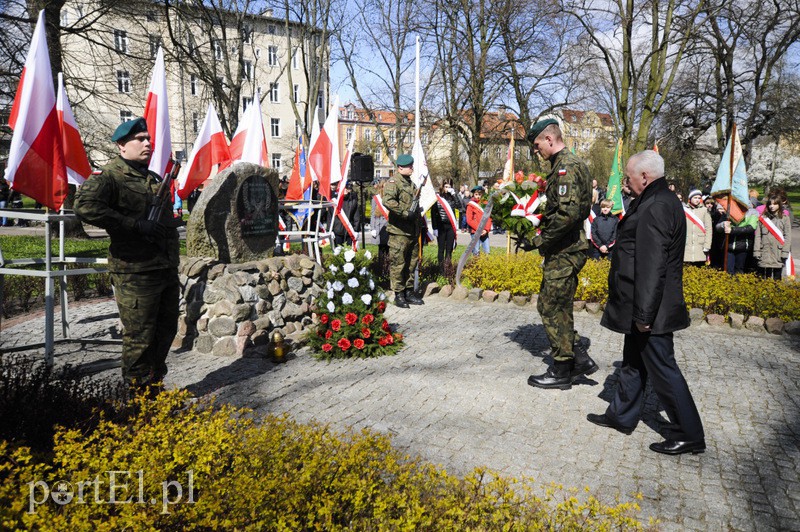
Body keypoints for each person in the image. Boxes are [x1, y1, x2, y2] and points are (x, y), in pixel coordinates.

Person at [587, 150, 705, 456]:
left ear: (644, 176)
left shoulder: (656, 206)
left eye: (628, 176)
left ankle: (689, 433)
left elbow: (652, 266)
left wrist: (643, 314)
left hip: (651, 308)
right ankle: (621, 415)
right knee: (633, 362)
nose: (625, 183)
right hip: (644, 305)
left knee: (664, 370)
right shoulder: (657, 200)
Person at [74, 117, 183, 392]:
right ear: (122, 145)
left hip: (163, 267)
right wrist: (133, 224)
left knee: (165, 331)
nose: (147, 143)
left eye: (148, 138)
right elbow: (85, 207)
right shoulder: (110, 176)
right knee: (140, 336)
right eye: (140, 139)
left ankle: (154, 388)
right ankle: (137, 396)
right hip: (135, 270)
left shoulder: (153, 178)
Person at [525, 118, 597, 390]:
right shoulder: (562, 166)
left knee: (550, 305)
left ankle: (562, 369)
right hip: (564, 248)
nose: (536, 150)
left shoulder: (566, 167)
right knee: (557, 305)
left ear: (549, 139)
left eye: (537, 144)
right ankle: (578, 359)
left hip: (566, 249)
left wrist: (539, 239)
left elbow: (567, 215)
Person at [383, 154, 424, 309]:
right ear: (400, 168)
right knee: (398, 264)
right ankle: (398, 294)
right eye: (409, 166)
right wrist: (405, 213)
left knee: (411, 263)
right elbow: (388, 201)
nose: (412, 168)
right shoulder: (394, 182)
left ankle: (408, 292)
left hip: (412, 230)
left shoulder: (410, 183)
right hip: (399, 231)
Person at [754, 193, 791, 280]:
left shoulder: (785, 218)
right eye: (770, 204)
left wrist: (785, 252)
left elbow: (788, 236)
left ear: (779, 205)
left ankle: (775, 293)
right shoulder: (762, 219)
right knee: (764, 277)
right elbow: (758, 236)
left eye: (775, 204)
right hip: (765, 251)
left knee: (777, 277)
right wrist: (756, 251)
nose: (772, 206)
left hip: (778, 252)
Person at [715, 205, 757, 274]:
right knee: (728, 271)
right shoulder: (728, 211)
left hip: (743, 246)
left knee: (739, 270)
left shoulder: (752, 212)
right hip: (729, 245)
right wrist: (723, 224)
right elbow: (717, 227)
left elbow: (750, 228)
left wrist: (732, 230)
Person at [430, 180, 460, 272]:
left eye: (449, 186)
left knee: (449, 248)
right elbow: (433, 213)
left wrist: (454, 194)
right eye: (446, 186)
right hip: (441, 226)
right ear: (442, 187)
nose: (447, 188)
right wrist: (434, 227)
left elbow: (459, 206)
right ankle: (440, 269)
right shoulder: (438, 198)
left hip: (450, 226)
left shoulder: (452, 198)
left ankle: (447, 268)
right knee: (441, 249)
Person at [683, 189, 712, 267]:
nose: (697, 200)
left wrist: (707, 245)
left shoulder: (705, 210)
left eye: (699, 198)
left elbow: (709, 229)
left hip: (700, 245)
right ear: (690, 198)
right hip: (687, 245)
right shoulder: (684, 210)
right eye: (695, 197)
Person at [332, 183, 362, 247]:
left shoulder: (353, 201)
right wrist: (330, 230)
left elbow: (356, 216)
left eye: (349, 189)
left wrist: (356, 230)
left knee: (349, 252)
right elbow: (330, 216)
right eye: (346, 189)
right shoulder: (335, 201)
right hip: (337, 230)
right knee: (338, 252)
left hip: (349, 230)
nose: (347, 191)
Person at [466, 186, 492, 255]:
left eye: (479, 194)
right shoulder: (471, 205)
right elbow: (469, 220)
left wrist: (486, 229)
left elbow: (489, 218)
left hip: (484, 231)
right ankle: (476, 265)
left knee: (487, 252)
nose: (478, 196)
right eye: (476, 194)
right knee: (476, 252)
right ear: (473, 195)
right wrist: (480, 229)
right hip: (475, 231)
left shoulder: (485, 204)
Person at [370, 179, 390, 265]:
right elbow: (373, 214)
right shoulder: (376, 198)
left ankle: (388, 269)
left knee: (390, 249)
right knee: (381, 248)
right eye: (384, 187)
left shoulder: (391, 198)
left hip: (389, 226)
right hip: (380, 227)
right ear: (381, 187)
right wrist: (372, 228)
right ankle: (381, 268)